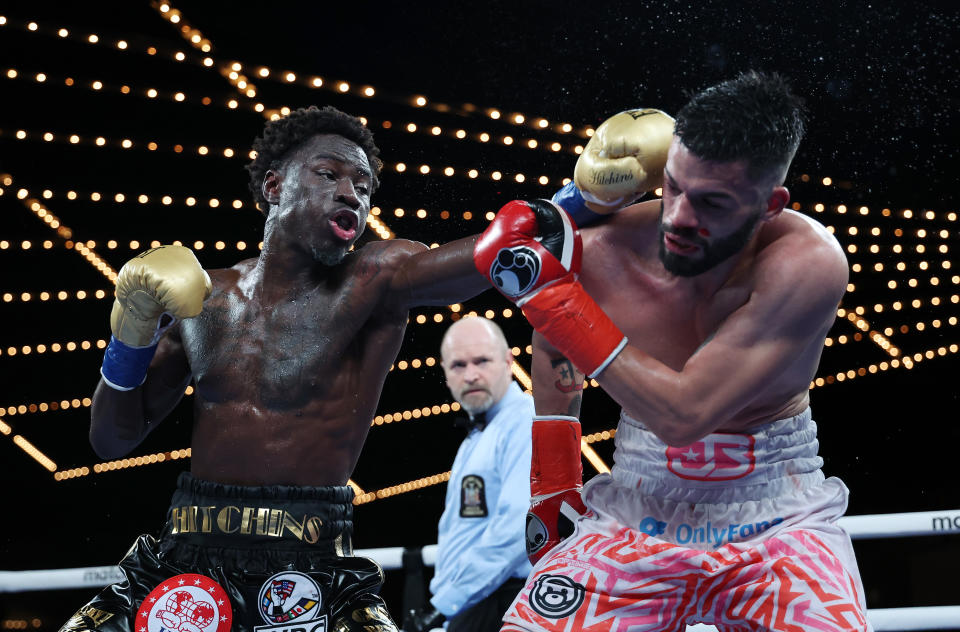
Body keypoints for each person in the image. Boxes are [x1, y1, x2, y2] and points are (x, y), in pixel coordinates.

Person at [61, 105, 489, 632]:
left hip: (308, 566)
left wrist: (572, 205)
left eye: (363, 183)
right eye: (329, 174)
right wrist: (131, 338)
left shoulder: (373, 280)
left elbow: (483, 262)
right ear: (273, 186)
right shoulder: (204, 299)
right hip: (185, 558)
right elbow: (111, 440)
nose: (351, 192)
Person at [474, 71, 871, 631]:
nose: (680, 217)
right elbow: (553, 350)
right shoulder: (604, 250)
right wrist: (555, 484)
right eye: (675, 188)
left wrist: (550, 295)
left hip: (780, 517)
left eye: (712, 203)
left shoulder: (807, 263)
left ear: (770, 204)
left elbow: (684, 414)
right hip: (637, 508)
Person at [407, 317, 535, 632]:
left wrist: (444, 604)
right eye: (458, 365)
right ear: (446, 374)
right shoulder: (477, 435)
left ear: (508, 362)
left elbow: (518, 527)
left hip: (502, 600)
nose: (471, 374)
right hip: (473, 602)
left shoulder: (524, 422)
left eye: (481, 361)